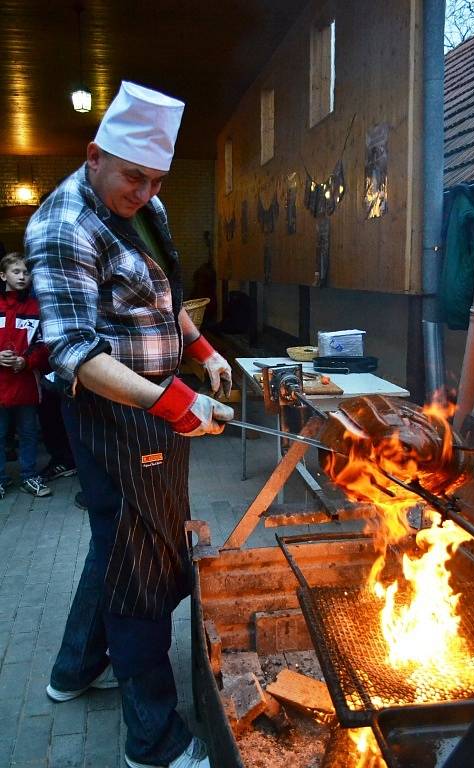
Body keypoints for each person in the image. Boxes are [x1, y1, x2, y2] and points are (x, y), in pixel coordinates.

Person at [25, 81, 234, 768]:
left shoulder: (149, 210)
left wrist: (202, 353)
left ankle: (74, 668)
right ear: (94, 155)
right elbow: (75, 353)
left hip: (157, 405)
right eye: (133, 177)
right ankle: (153, 740)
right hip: (114, 417)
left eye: (155, 181)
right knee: (139, 567)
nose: (143, 192)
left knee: (117, 542)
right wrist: (176, 404)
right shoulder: (63, 226)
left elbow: (164, 300)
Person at [0, 253, 52, 498]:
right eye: (16, 272)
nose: (22, 277)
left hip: (26, 383)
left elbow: (44, 345)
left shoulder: (36, 308)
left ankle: (29, 476)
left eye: (26, 272)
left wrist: (26, 361)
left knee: (29, 433)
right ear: (3, 275)